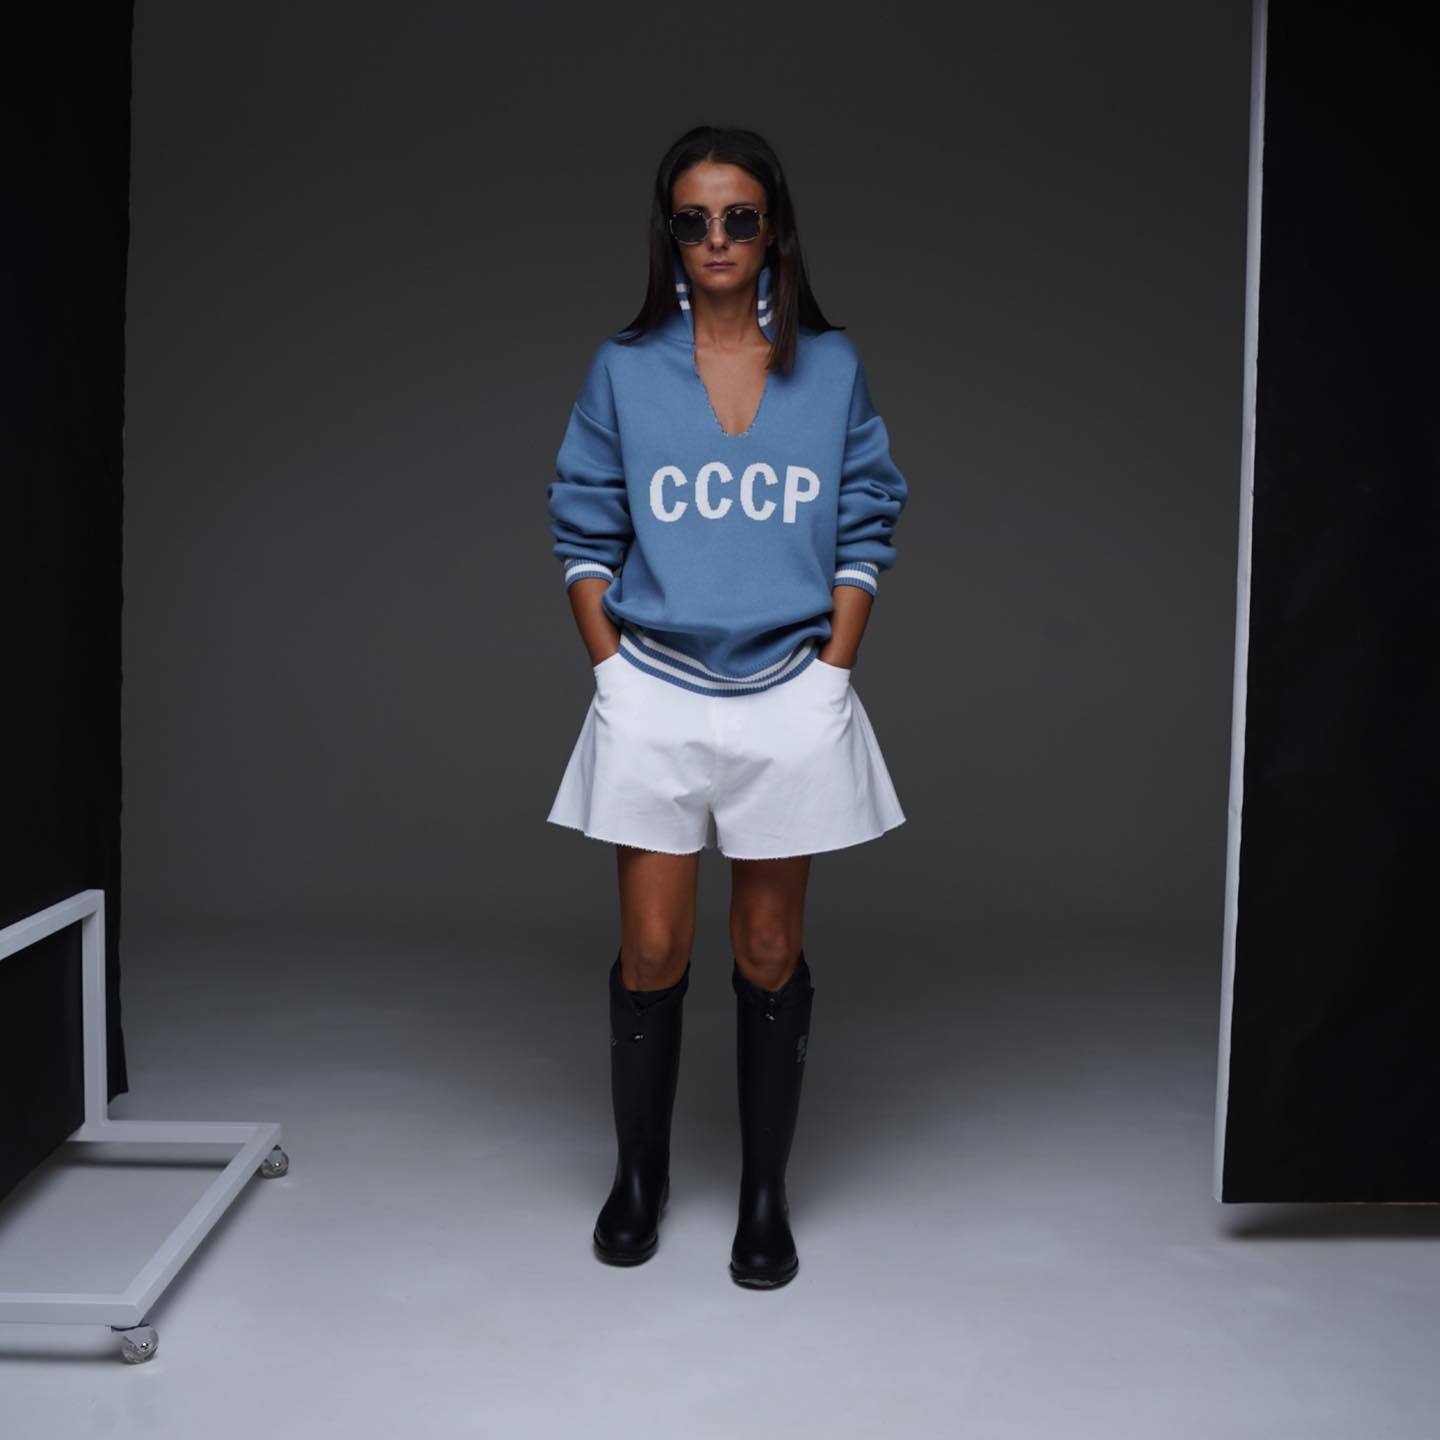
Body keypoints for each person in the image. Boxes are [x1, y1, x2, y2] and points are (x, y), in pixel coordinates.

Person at [545, 124, 909, 1289]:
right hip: (652, 683)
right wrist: (610, 669)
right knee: (653, 947)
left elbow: (868, 513)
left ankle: (763, 1193)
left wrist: (834, 670)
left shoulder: (830, 367)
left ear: (774, 231)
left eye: (739, 217)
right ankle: (639, 1175)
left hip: (788, 686)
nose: (716, 239)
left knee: (767, 945)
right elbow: (581, 519)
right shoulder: (623, 370)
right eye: (694, 219)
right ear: (668, 234)